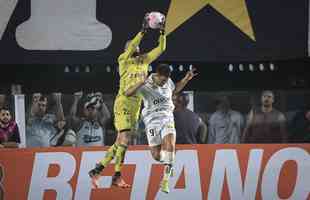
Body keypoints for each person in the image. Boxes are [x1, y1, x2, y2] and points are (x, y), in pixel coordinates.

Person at [89, 14, 166, 188]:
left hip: (136, 106)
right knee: (124, 139)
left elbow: (161, 48)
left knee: (119, 142)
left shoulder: (145, 61)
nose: (136, 47)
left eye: (138, 45)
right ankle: (117, 176)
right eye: (132, 46)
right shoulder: (123, 60)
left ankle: (97, 170)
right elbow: (131, 45)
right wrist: (143, 30)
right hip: (123, 102)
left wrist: (162, 31)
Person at [123, 64, 197, 193]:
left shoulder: (168, 82)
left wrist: (186, 79)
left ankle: (165, 181)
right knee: (157, 156)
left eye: (166, 80)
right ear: (156, 75)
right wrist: (140, 83)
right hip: (152, 121)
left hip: (167, 118)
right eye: (162, 80)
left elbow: (174, 90)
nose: (164, 83)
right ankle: (169, 161)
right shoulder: (145, 84)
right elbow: (127, 93)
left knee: (170, 145)